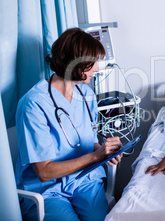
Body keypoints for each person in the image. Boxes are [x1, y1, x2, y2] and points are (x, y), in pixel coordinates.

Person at [15, 28, 123, 221]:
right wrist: (96, 155)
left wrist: (106, 151)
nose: (97, 69)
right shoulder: (33, 103)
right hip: (47, 189)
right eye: (93, 63)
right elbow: (44, 172)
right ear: (76, 62)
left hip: (83, 180)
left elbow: (86, 143)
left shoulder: (86, 95)